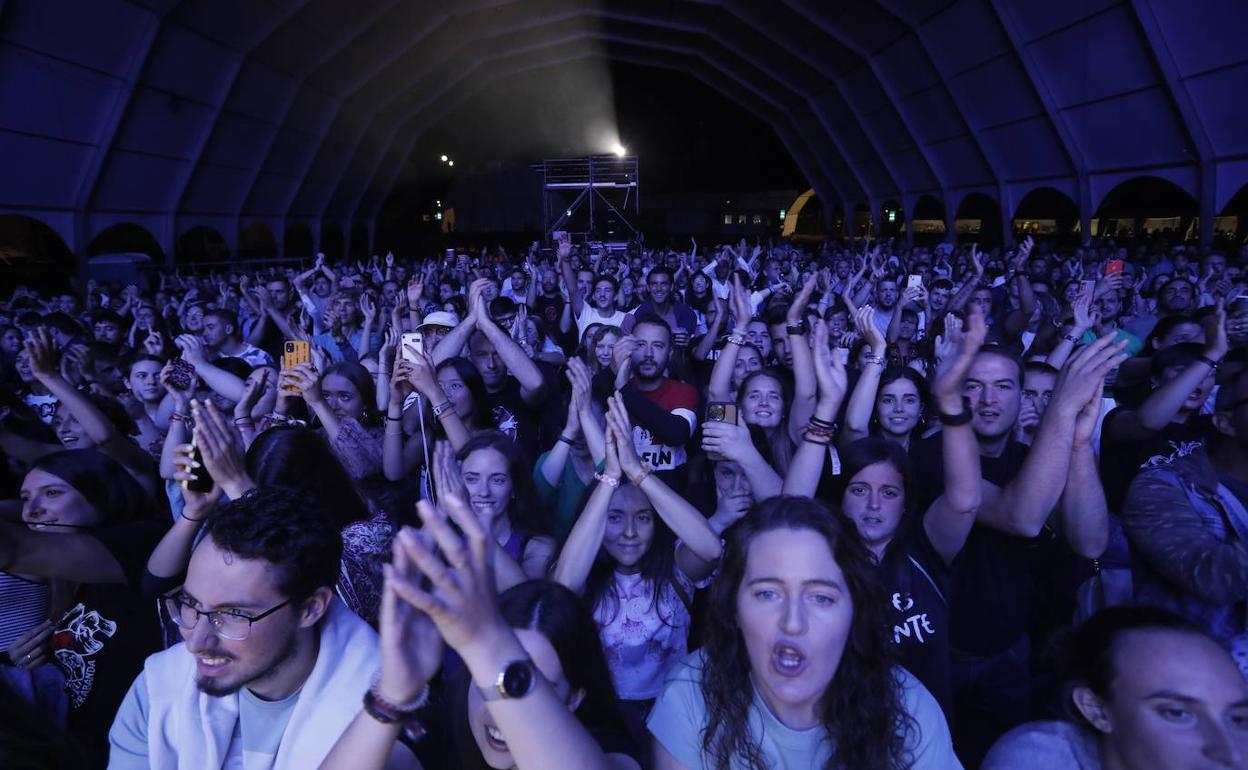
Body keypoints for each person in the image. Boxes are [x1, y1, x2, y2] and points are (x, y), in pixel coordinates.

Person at [322, 495, 642, 770]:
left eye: (523, 681)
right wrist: (392, 694)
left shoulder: (610, 749)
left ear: (574, 699)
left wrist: (487, 644)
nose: (497, 710)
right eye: (485, 676)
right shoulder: (443, 730)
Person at [647, 496, 961, 769]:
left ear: (854, 611)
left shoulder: (909, 709)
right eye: (767, 593)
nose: (793, 622)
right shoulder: (690, 696)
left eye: (821, 597)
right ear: (734, 609)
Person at [108, 487, 382, 769]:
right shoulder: (158, 691)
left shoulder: (380, 718)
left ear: (310, 608)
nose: (195, 642)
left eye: (234, 614)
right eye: (190, 604)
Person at [552, 394, 721, 712]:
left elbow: (711, 549)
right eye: (615, 518)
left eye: (642, 518)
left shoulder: (676, 566)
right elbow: (562, 586)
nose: (629, 533)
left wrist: (637, 471)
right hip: (601, 712)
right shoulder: (582, 569)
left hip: (670, 710)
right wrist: (609, 480)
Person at [1, 449, 167, 768]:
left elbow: (12, 548)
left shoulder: (144, 541)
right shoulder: (67, 578)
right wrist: (36, 658)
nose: (32, 510)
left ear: (101, 491)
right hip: (87, 750)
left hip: (142, 750)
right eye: (25, 498)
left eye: (52, 493)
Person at [982, 606, 1248, 770]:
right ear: (1096, 709)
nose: (1230, 752)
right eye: (1176, 713)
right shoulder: (1039, 757)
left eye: (1238, 719)